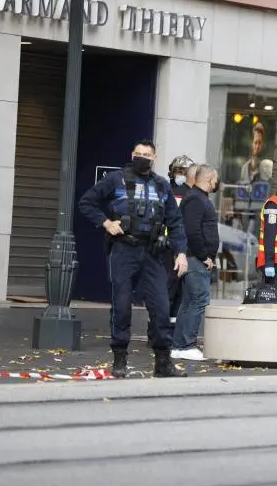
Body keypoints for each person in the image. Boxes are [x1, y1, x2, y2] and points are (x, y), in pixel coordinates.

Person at [78, 139, 188, 379]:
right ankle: (119, 360)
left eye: (146, 154)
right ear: (131, 154)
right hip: (124, 249)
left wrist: (181, 253)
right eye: (138, 153)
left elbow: (175, 222)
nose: (142, 157)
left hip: (152, 252)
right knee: (121, 305)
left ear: (154, 158)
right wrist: (106, 223)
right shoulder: (115, 179)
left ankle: (163, 363)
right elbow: (87, 202)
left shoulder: (161, 185)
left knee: (161, 307)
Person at [172, 164, 220, 362]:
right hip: (195, 259)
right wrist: (204, 256)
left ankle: (179, 345)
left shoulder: (197, 198)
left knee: (189, 301)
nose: (216, 183)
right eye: (215, 179)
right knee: (198, 300)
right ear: (209, 180)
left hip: (194, 258)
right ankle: (186, 345)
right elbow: (192, 231)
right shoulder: (196, 199)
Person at [148, 155, 195, 347]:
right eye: (178, 171)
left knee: (178, 295)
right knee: (167, 292)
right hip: (167, 249)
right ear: (172, 172)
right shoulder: (167, 191)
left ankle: (166, 334)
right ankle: (158, 333)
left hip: (182, 249)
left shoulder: (185, 193)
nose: (181, 175)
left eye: (184, 172)